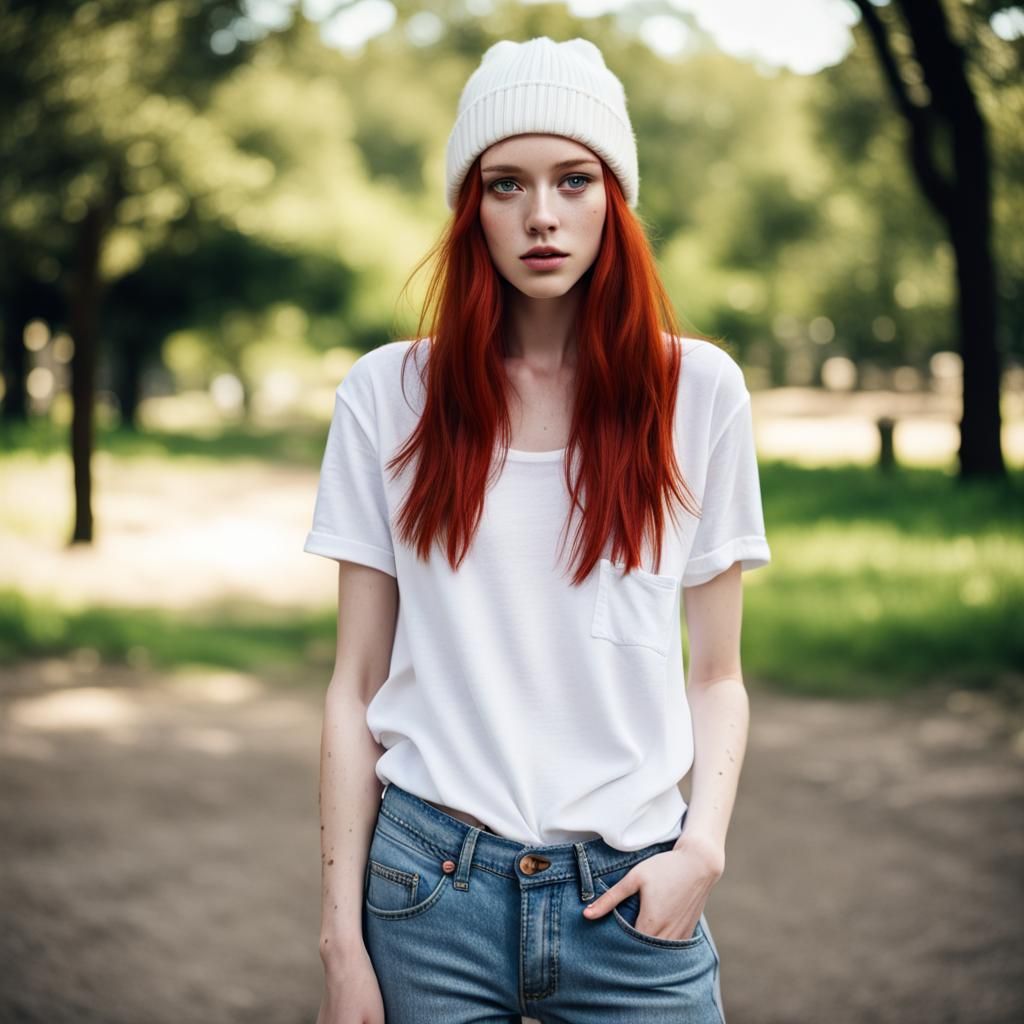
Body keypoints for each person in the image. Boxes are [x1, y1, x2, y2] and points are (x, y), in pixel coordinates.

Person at [306, 35, 771, 1024]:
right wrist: (342, 947)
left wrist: (702, 848)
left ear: (615, 199)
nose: (542, 215)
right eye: (505, 185)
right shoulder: (387, 395)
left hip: (631, 892)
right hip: (430, 892)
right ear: (470, 208)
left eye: (573, 180)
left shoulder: (698, 392)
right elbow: (355, 684)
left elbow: (716, 674)